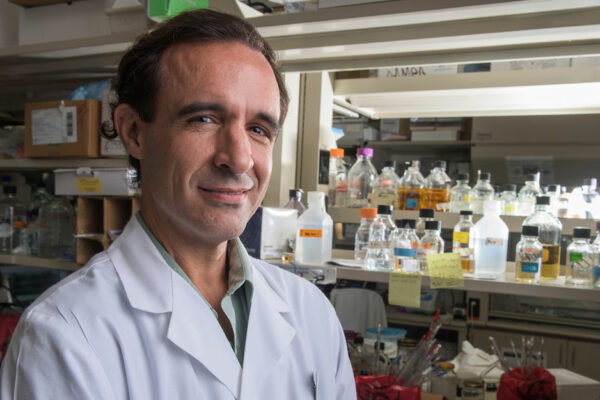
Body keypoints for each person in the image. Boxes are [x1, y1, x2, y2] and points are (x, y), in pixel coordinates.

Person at [0, 9, 355, 399]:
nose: (238, 159)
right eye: (204, 119)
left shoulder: (311, 313)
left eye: (258, 129)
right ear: (134, 132)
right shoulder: (64, 333)